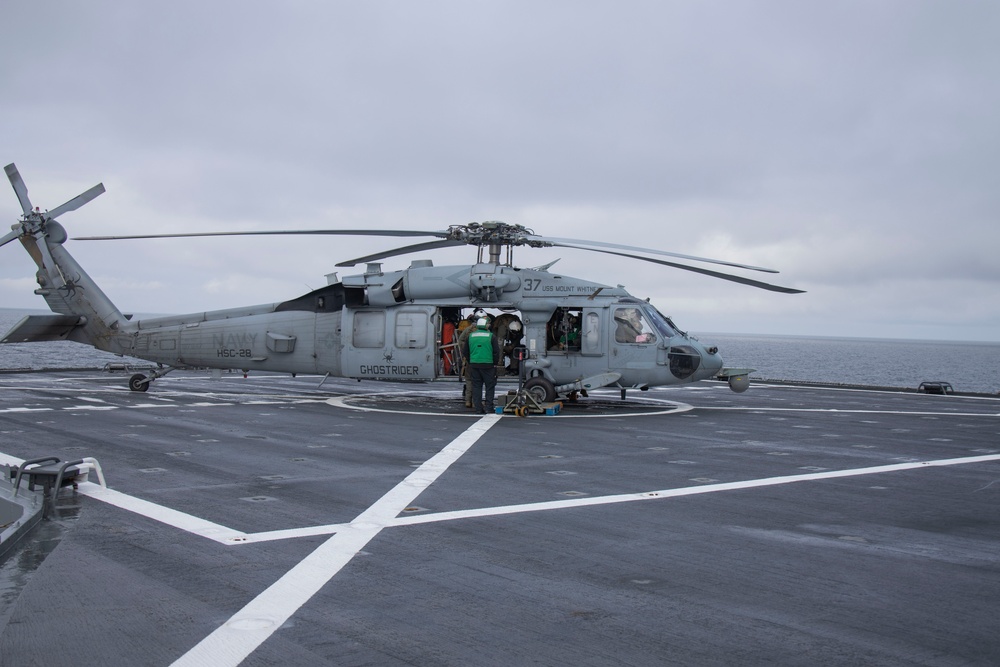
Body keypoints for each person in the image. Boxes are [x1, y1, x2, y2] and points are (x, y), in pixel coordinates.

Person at [461, 317, 501, 414]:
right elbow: (496, 352)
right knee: (490, 386)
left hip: (474, 365)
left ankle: (478, 408)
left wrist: (471, 361)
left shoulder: (471, 336)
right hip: (488, 366)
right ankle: (489, 407)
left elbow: (465, 351)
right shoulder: (491, 336)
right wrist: (495, 364)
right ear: (485, 325)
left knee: (476, 386)